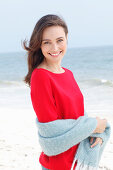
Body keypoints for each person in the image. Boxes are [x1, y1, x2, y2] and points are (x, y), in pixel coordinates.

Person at [23, 14, 107, 170]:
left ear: (67, 38)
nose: (55, 48)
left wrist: (96, 133)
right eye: (47, 42)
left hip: (78, 160)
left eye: (59, 40)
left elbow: (78, 116)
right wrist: (94, 125)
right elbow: (51, 132)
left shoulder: (68, 73)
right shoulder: (40, 76)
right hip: (58, 164)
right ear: (39, 45)